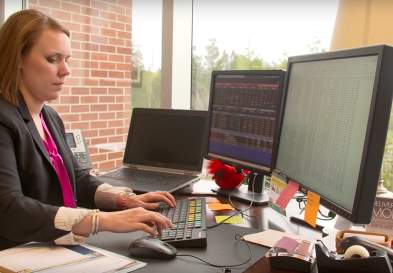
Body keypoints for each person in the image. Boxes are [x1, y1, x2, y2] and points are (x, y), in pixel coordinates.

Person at [0, 9, 175, 250]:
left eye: (67, 59)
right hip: (16, 253)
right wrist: (100, 220)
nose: (66, 70)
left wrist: (125, 200)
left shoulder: (49, 117)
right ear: (18, 58)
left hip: (57, 244)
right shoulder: (3, 119)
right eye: (52, 59)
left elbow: (78, 180)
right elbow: (8, 208)